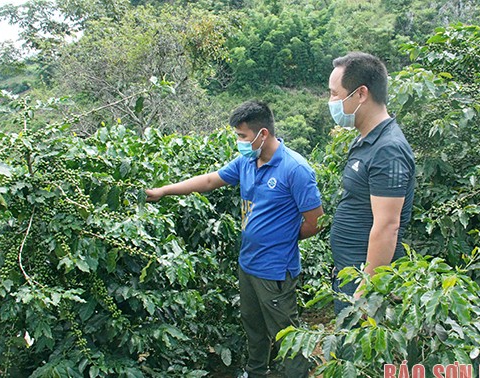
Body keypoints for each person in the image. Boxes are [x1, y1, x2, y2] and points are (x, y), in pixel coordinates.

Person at [145, 100, 323, 378]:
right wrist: (163, 191)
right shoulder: (247, 161)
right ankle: (256, 373)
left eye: (242, 136)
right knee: (253, 327)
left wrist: (283, 239)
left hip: (275, 270)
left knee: (286, 336)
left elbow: (315, 222)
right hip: (248, 265)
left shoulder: (295, 169)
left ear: (262, 134)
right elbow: (208, 181)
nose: (239, 142)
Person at [326, 52, 415, 314]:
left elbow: (388, 226)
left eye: (334, 93)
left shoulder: (389, 149)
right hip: (349, 274)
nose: (330, 101)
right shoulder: (365, 140)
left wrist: (365, 293)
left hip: (365, 284)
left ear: (361, 94)